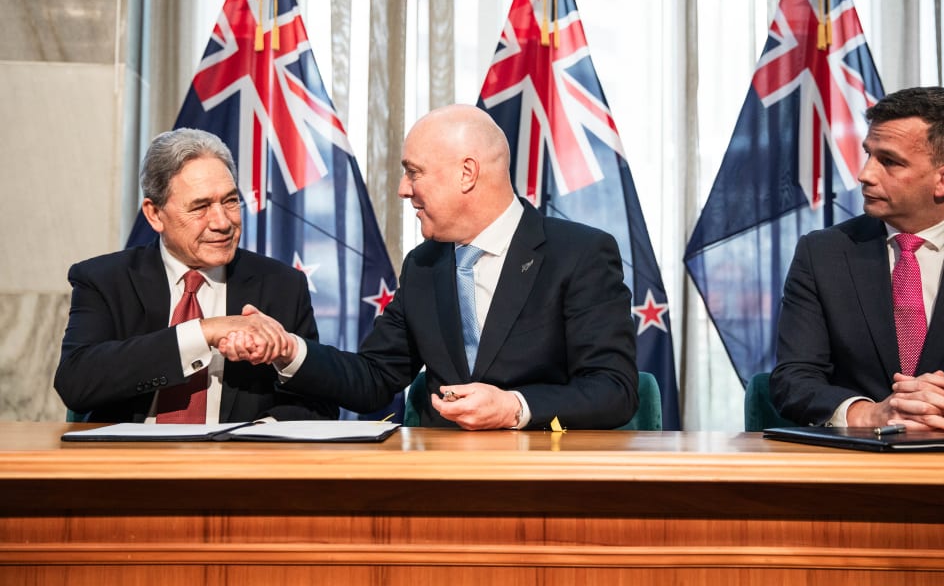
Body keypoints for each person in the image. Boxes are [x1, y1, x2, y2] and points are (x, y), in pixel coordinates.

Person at [220, 104, 639, 430]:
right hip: (442, 484)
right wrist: (290, 350)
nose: (404, 190)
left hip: (545, 484)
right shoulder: (424, 266)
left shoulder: (579, 254)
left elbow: (612, 390)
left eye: (412, 172)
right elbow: (373, 378)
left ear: (467, 174)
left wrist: (514, 408)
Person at [771, 86, 944, 436]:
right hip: (851, 467)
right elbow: (792, 380)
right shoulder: (822, 254)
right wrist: (869, 414)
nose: (866, 174)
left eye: (889, 161)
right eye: (868, 155)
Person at [55, 128, 337, 423]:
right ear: (154, 214)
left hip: (236, 463)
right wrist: (204, 332)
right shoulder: (105, 279)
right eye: (200, 207)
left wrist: (257, 439)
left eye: (229, 201)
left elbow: (317, 402)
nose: (222, 222)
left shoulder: (281, 286)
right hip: (131, 461)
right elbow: (76, 383)